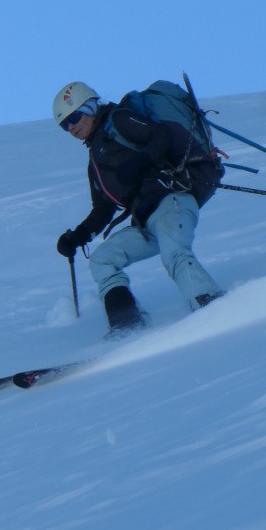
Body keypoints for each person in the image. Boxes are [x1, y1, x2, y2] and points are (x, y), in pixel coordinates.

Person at [52, 80, 224, 338]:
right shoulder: (96, 160)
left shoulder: (118, 120)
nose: (72, 127)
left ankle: (213, 307)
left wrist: (142, 161)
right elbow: (103, 208)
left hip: (172, 200)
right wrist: (78, 236)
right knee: (103, 259)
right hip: (146, 222)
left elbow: (161, 135)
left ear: (89, 108)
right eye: (65, 124)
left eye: (74, 117)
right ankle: (127, 324)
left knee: (174, 253)